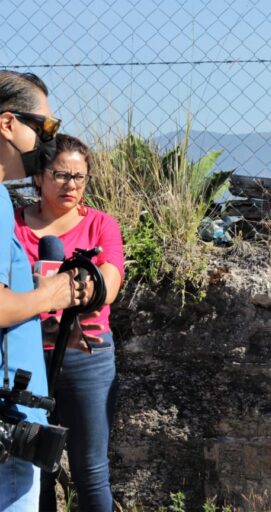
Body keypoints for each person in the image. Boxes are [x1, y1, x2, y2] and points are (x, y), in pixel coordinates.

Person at [14, 133, 124, 511]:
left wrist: (78, 289)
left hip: (87, 359)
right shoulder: (11, 226)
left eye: (79, 177)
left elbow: (110, 282)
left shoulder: (100, 224)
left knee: (90, 470)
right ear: (39, 177)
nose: (71, 185)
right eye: (61, 175)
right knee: (31, 467)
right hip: (25, 361)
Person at [0, 71, 91, 511]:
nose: (48, 139)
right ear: (7, 124)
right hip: (7, 415)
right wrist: (53, 294)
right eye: (45, 127)